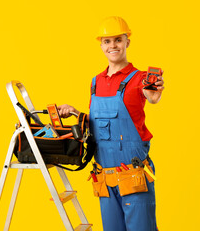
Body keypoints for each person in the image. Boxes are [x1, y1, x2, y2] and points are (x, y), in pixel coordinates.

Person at [58, 16, 164, 231]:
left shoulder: (140, 78)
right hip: (105, 178)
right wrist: (76, 113)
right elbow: (98, 124)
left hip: (133, 176)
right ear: (101, 45)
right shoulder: (96, 81)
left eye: (117, 39)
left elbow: (152, 98)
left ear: (127, 42)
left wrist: (156, 91)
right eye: (107, 41)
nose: (112, 45)